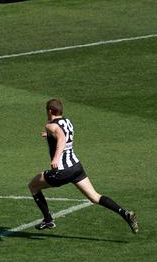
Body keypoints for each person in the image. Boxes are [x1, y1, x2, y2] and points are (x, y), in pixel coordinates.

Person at [28, 99, 139, 233]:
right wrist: (49, 136)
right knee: (94, 197)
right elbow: (64, 135)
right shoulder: (67, 122)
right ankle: (125, 214)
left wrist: (56, 158)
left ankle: (48, 220)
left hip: (62, 170)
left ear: (50, 111)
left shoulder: (50, 125)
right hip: (76, 167)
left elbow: (62, 138)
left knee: (33, 185)